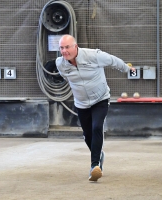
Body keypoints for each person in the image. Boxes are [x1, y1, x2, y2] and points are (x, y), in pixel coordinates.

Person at [55, 34, 135, 181]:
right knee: (87, 135)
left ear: (75, 46)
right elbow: (66, 77)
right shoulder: (60, 63)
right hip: (81, 103)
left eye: (67, 47)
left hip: (100, 99)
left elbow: (112, 60)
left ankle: (95, 166)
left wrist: (126, 68)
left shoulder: (93, 55)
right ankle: (99, 155)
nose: (64, 51)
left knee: (97, 127)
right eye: (61, 48)